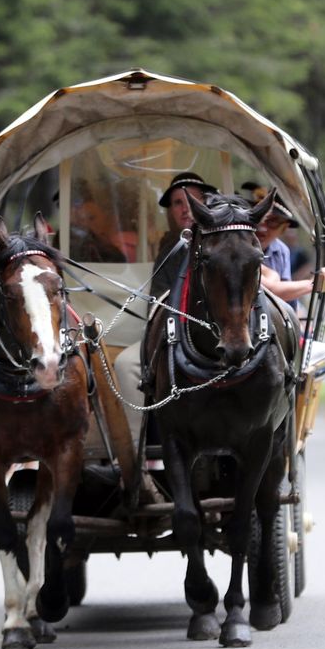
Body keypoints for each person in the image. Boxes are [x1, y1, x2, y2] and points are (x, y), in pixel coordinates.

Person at [112, 172, 218, 452]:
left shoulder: (220, 241)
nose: (185, 209)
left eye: (192, 200)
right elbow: (156, 299)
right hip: (172, 335)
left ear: (205, 203)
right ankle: (136, 451)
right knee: (126, 364)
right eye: (177, 203)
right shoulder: (170, 246)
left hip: (215, 340)